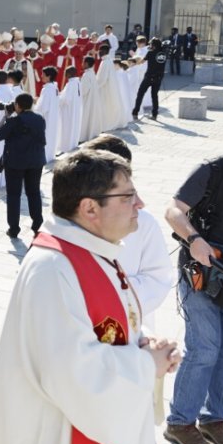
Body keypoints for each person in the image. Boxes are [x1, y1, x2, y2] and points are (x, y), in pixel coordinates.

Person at [0, 150, 180, 444]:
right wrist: (145, 364)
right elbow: (70, 371)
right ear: (89, 208)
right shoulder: (53, 268)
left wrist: (144, 344)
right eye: (127, 196)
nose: (140, 203)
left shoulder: (96, 250)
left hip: (97, 433)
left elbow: (106, 329)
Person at [162, 150, 223, 444]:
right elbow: (174, 211)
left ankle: (214, 420)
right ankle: (180, 423)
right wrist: (194, 240)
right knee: (205, 347)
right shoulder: (214, 170)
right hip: (203, 268)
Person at [81, 135, 174, 329]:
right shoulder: (73, 216)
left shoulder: (143, 222)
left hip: (128, 325)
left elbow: (158, 277)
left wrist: (110, 294)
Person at [0, 92, 46, 238]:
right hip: (36, 161)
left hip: (15, 162)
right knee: (34, 192)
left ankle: (14, 228)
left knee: (14, 195)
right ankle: (37, 224)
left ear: (17, 105)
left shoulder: (15, 120)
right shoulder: (40, 119)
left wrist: (6, 116)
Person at [132, 37, 168, 120]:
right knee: (154, 96)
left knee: (140, 93)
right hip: (159, 77)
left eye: (151, 44)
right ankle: (154, 114)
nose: (150, 45)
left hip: (149, 76)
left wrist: (134, 61)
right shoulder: (163, 54)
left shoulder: (150, 53)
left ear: (154, 45)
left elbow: (142, 62)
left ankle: (135, 112)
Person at [33, 66, 60, 163]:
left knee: (46, 138)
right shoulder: (55, 87)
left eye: (43, 75)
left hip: (46, 118)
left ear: (49, 77)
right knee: (51, 137)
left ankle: (44, 158)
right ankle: (49, 156)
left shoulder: (47, 89)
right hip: (53, 117)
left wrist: (35, 102)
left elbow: (43, 107)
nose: (41, 76)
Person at [57, 66, 83, 154]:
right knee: (73, 128)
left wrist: (57, 98)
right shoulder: (78, 82)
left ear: (68, 74)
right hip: (75, 110)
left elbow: (66, 99)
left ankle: (66, 147)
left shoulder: (70, 84)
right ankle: (72, 145)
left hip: (69, 111)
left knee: (68, 129)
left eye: (65, 73)